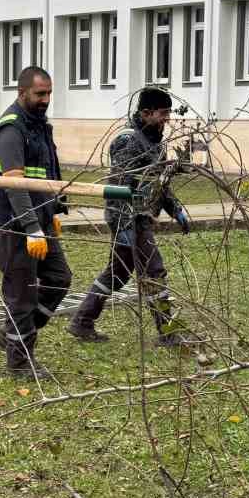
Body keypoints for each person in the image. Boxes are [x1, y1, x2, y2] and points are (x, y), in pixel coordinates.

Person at [68, 87, 191, 345]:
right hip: (129, 219)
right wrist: (125, 225)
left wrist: (176, 209)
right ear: (146, 113)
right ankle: (168, 334)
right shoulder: (128, 141)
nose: (167, 119)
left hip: (141, 217)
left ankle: (82, 321)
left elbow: (159, 184)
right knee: (154, 271)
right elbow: (120, 187)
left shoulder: (156, 141)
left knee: (117, 273)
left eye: (169, 113)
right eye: (163, 113)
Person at [0, 65, 72, 376]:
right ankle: (20, 363)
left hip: (41, 220)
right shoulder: (11, 130)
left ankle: (11, 335)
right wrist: (32, 228)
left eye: (49, 93)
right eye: (40, 93)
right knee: (22, 293)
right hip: (13, 225)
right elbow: (15, 184)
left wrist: (55, 210)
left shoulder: (39, 125)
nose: (46, 99)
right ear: (22, 92)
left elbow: (48, 172)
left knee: (60, 278)